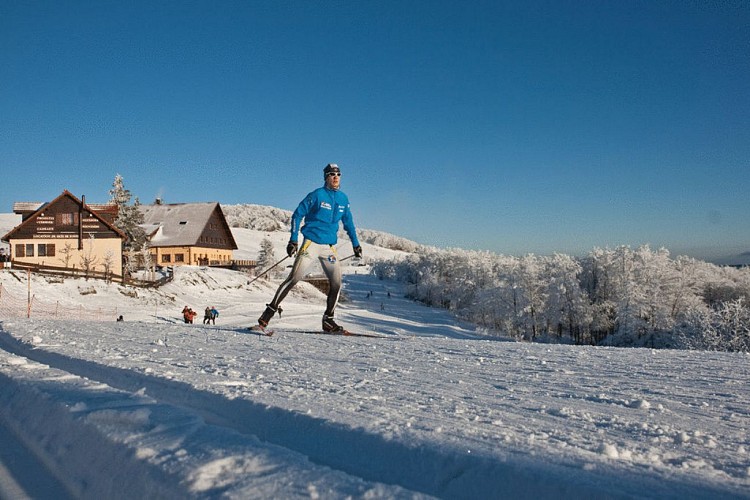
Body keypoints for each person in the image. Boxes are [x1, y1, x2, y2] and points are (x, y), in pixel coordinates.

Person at [252, 163, 362, 333]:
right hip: (311, 243)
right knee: (293, 278)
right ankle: (266, 317)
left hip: (329, 247)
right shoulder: (317, 195)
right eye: (331, 174)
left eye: (338, 174)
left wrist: (356, 244)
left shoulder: (343, 199)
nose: (335, 177)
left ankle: (328, 320)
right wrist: (293, 240)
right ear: (326, 177)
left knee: (337, 283)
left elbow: (349, 223)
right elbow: (297, 215)